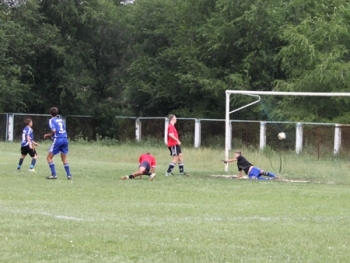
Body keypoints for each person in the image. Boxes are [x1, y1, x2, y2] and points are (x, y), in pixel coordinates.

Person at [43, 107, 72, 180]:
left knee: (49, 157)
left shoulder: (51, 120)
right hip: (65, 139)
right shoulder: (61, 120)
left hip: (58, 139)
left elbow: (54, 130)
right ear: (57, 113)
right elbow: (63, 129)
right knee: (64, 157)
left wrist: (49, 135)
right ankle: (69, 175)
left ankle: (54, 174)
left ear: (50, 113)